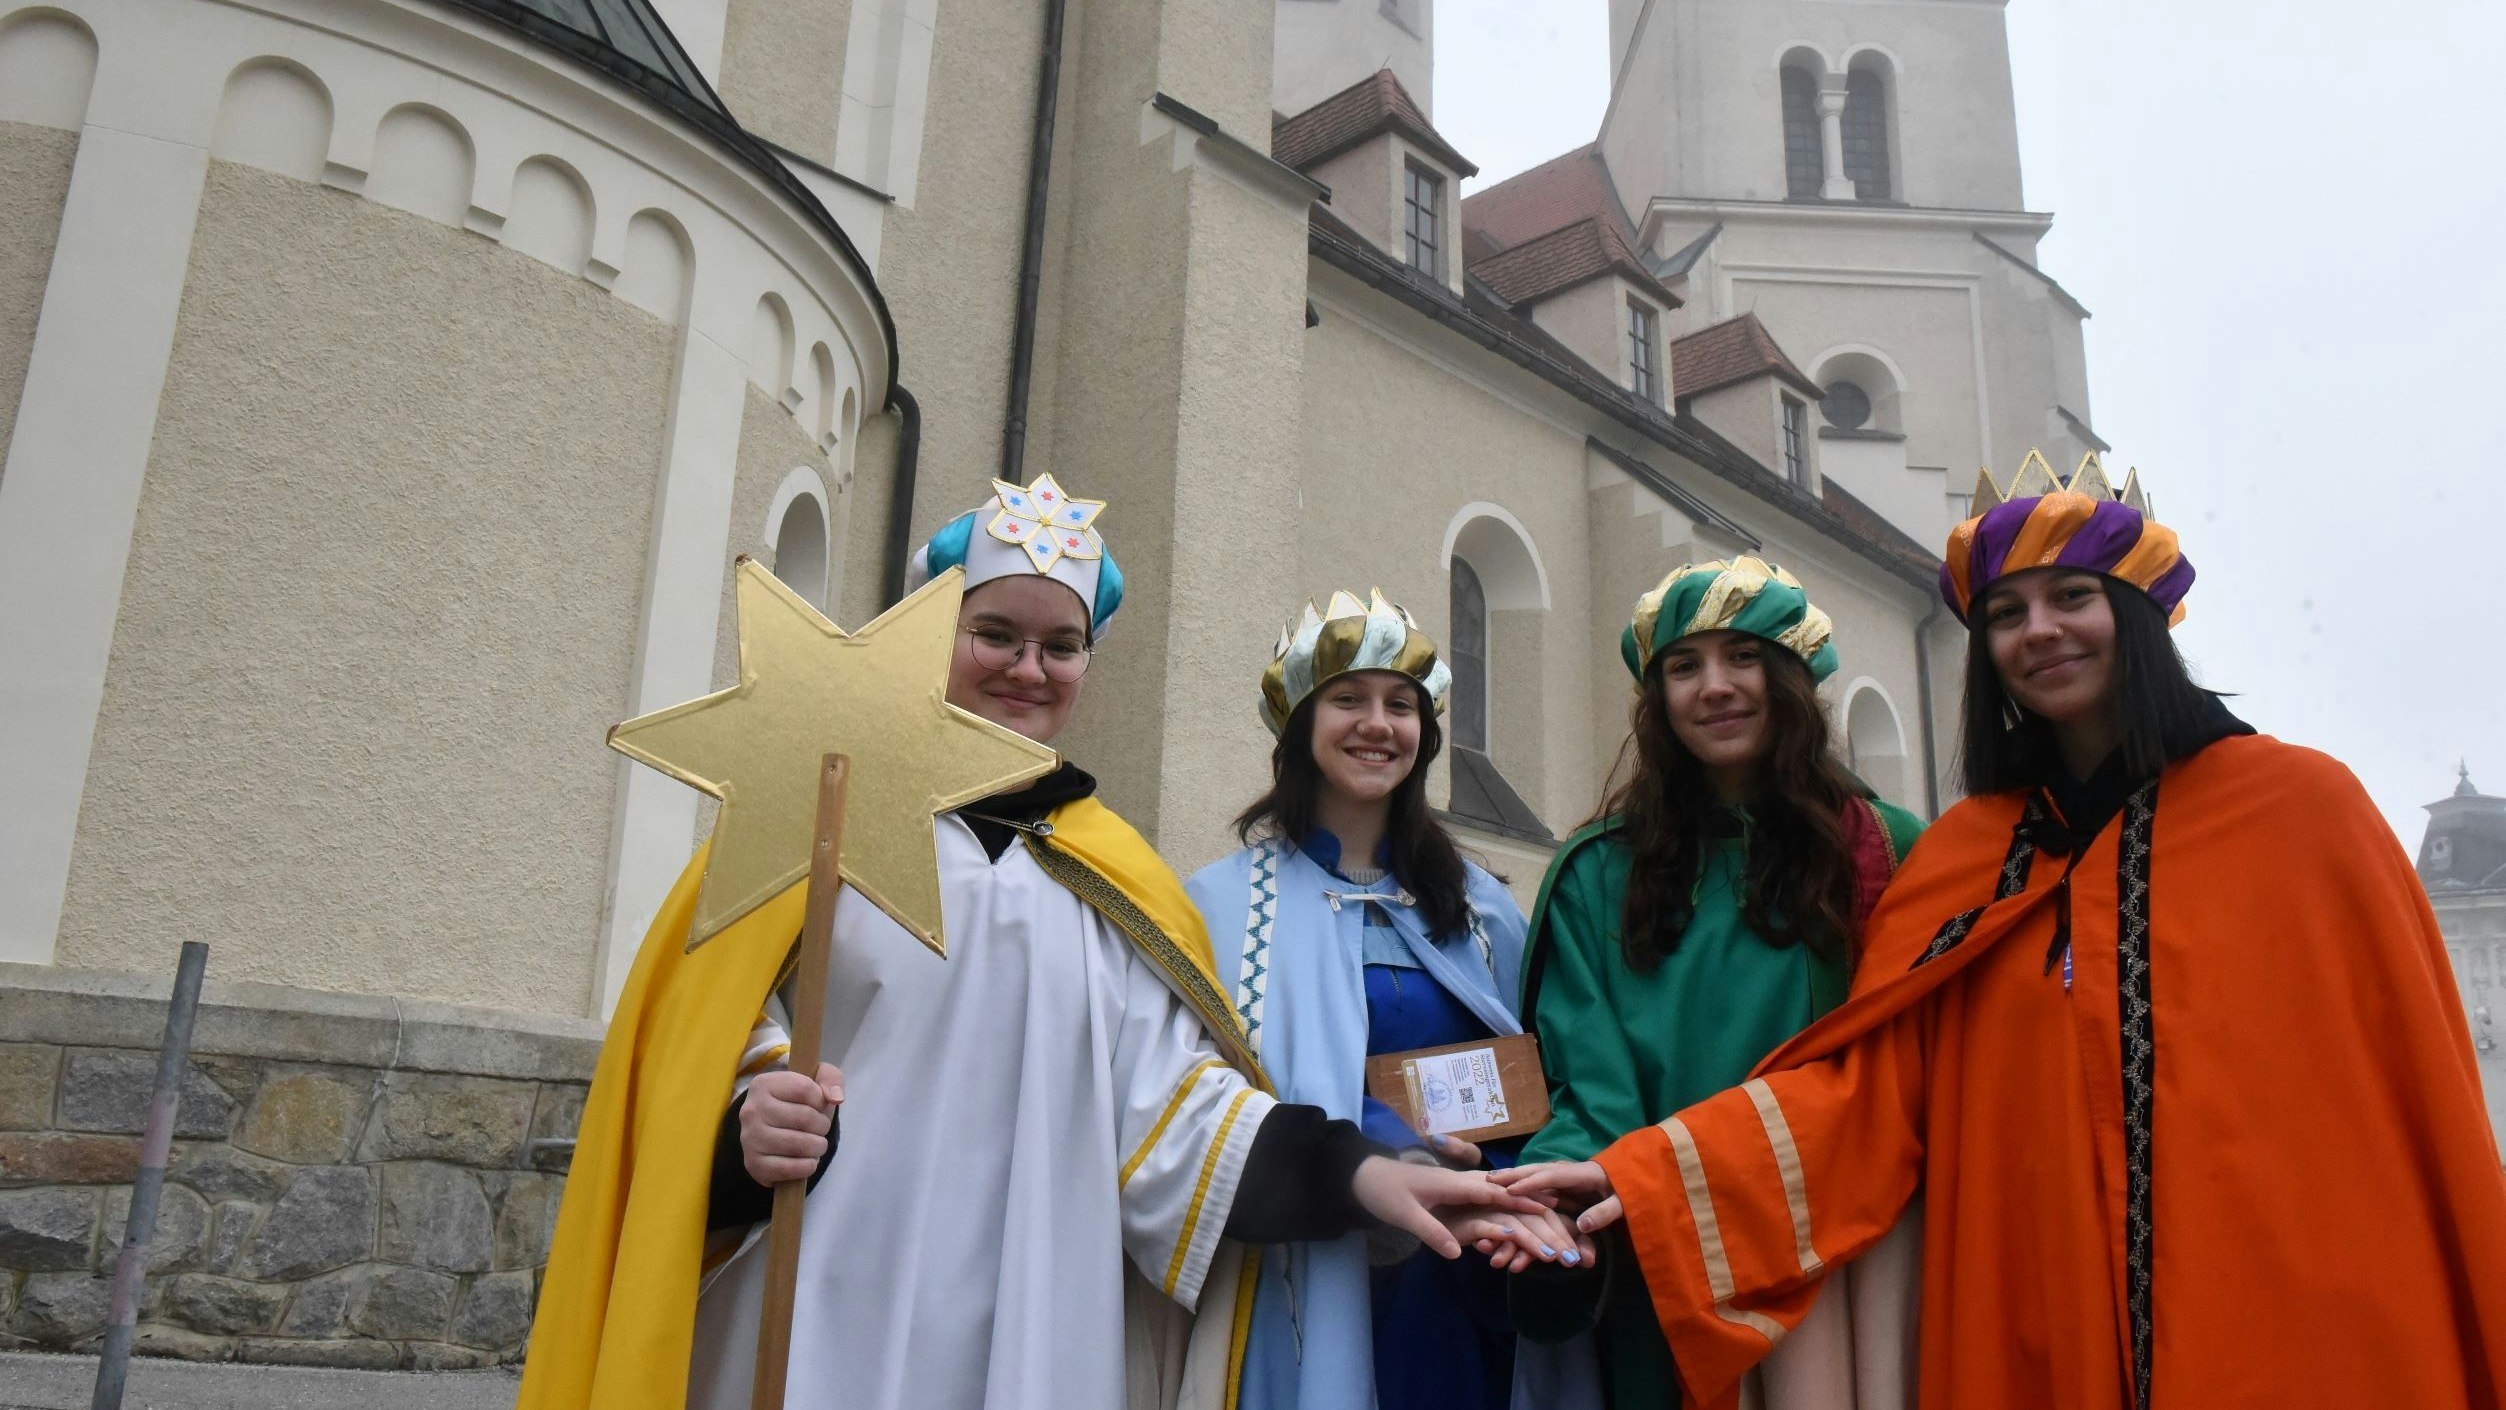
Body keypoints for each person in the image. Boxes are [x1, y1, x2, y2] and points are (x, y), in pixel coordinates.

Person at [1502, 455, 2506, 1409]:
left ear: (2138, 611)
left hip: (2288, 1299)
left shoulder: (2301, 811)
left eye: (2072, 596)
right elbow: (1870, 1093)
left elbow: (2421, 1094)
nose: (2039, 631)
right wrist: (1638, 1174)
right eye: (2006, 614)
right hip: (2037, 1315)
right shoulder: (1968, 856)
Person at [521, 478, 1549, 1410]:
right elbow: (699, 1051)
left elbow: (1178, 1122)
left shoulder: (1107, 876)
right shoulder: (813, 829)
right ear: (935, 632)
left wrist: (1371, 1176)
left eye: (1061, 646)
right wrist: (747, 1123)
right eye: (996, 634)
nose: (1028, 668)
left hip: (1032, 1323)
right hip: (823, 1307)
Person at [1504, 558, 1924, 1410]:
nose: (1715, 687)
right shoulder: (1597, 872)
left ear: (1792, 678)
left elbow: (1909, 1067)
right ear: (1656, 698)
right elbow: (1589, 1082)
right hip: (1666, 1245)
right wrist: (1548, 1197)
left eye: (1743, 657)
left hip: (1845, 1242)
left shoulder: (1885, 849)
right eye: (1684, 667)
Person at [1187, 590, 1575, 1410]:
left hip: (1470, 1268)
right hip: (1317, 1254)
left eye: (1401, 705)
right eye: (1349, 700)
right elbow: (1209, 1101)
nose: (1378, 724)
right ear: (1300, 724)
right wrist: (1389, 1149)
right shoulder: (1222, 909)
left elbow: (1536, 1075)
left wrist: (1514, 1191)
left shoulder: (1483, 907)